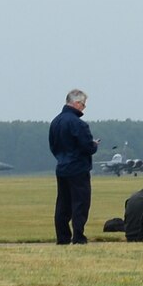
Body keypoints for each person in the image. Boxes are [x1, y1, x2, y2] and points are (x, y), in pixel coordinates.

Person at [48, 88, 99, 245]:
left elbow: (53, 146)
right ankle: (78, 237)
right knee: (80, 203)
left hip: (62, 167)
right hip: (78, 169)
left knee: (63, 204)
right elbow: (87, 147)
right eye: (83, 105)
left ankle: (62, 238)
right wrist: (94, 145)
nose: (84, 108)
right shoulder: (78, 124)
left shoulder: (55, 122)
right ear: (76, 103)